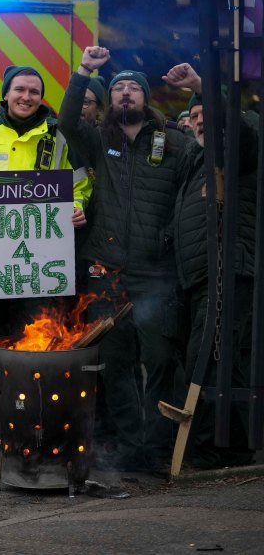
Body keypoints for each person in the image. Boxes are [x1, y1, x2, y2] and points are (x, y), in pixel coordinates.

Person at [59, 47, 197, 476]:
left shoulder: (174, 141)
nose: (125, 93)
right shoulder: (99, 140)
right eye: (118, 87)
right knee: (116, 365)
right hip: (106, 269)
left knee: (158, 361)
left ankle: (157, 448)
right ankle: (128, 449)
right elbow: (65, 121)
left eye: (133, 87)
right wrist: (84, 72)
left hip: (157, 273)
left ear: (146, 98)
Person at [0, 65, 91, 461]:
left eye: (34, 91)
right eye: (20, 90)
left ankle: (33, 433)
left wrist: (78, 207)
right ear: (5, 94)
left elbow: (81, 185)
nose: (27, 97)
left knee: (35, 352)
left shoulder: (59, 137)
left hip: (40, 270)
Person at [163, 63, 257, 469]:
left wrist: (202, 86)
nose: (201, 121)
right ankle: (230, 443)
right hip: (199, 276)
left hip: (228, 271)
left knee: (210, 357)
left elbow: (236, 123)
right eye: (195, 115)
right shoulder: (197, 159)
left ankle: (210, 447)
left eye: (208, 113)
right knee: (214, 358)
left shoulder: (242, 145)